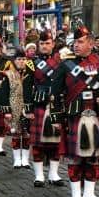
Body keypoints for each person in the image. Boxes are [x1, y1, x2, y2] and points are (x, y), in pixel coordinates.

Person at [52, 26, 99, 197]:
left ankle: (89, 194)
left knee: (93, 157)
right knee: (75, 157)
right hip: (74, 116)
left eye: (80, 42)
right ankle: (76, 196)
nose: (76, 45)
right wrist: (56, 119)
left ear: (91, 43)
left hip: (96, 115)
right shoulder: (66, 64)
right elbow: (55, 93)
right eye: (74, 42)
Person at [29, 31, 64, 187]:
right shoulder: (32, 63)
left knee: (55, 142)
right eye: (42, 44)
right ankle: (39, 175)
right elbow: (26, 86)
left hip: (55, 104)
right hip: (39, 104)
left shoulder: (61, 62)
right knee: (38, 143)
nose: (44, 46)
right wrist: (27, 108)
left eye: (47, 43)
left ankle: (54, 174)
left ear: (53, 44)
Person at [0, 48, 34, 169]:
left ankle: (25, 159)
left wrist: (31, 110)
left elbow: (31, 93)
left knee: (26, 134)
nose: (21, 61)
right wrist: (7, 111)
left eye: (23, 59)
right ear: (14, 60)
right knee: (15, 133)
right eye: (19, 59)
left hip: (27, 109)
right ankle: (16, 159)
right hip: (13, 107)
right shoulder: (8, 74)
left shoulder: (30, 74)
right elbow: (3, 93)